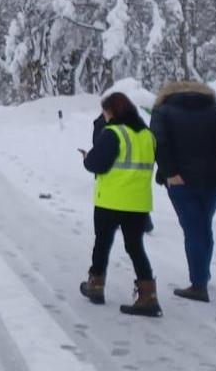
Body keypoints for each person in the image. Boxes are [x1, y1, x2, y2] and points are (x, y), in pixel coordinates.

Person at [151, 82, 216, 303]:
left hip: (180, 180)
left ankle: (199, 285)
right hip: (214, 179)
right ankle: (202, 274)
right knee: (202, 226)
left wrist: (170, 172)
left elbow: (158, 145)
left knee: (194, 229)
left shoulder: (162, 112)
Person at [78, 92, 162, 317]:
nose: (104, 116)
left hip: (111, 200)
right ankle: (148, 294)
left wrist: (87, 159)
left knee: (102, 244)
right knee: (135, 247)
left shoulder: (113, 133)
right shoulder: (147, 135)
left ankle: (96, 284)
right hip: (138, 202)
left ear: (113, 111)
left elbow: (98, 164)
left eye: (105, 111)